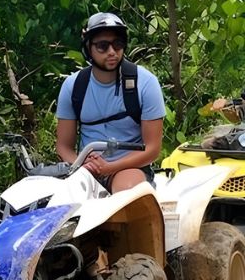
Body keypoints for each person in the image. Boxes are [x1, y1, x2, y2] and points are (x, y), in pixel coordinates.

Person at [56, 11, 165, 191]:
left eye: (118, 44)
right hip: (84, 169)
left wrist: (110, 167)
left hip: (129, 168)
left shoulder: (145, 83)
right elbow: (63, 145)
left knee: (126, 195)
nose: (112, 52)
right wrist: (81, 164)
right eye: (102, 46)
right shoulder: (73, 86)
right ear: (88, 48)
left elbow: (152, 148)